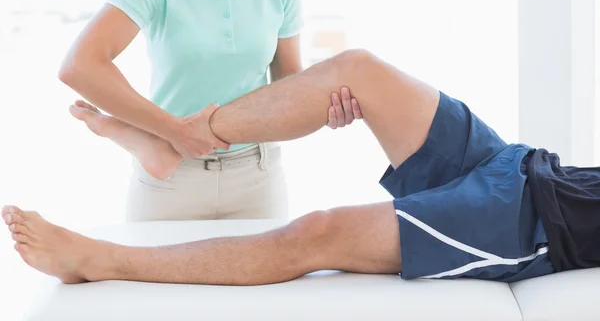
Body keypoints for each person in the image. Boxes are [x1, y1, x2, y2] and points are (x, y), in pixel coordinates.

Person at [6, 50, 599, 285]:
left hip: (536, 223)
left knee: (317, 232)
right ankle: (176, 138)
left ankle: (102, 260)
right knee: (357, 70)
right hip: (526, 167)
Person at [57, 0, 362, 222]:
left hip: (257, 178)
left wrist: (325, 108)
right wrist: (174, 131)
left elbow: (289, 86)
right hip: (172, 181)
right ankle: (149, 143)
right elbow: (80, 66)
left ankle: (138, 138)